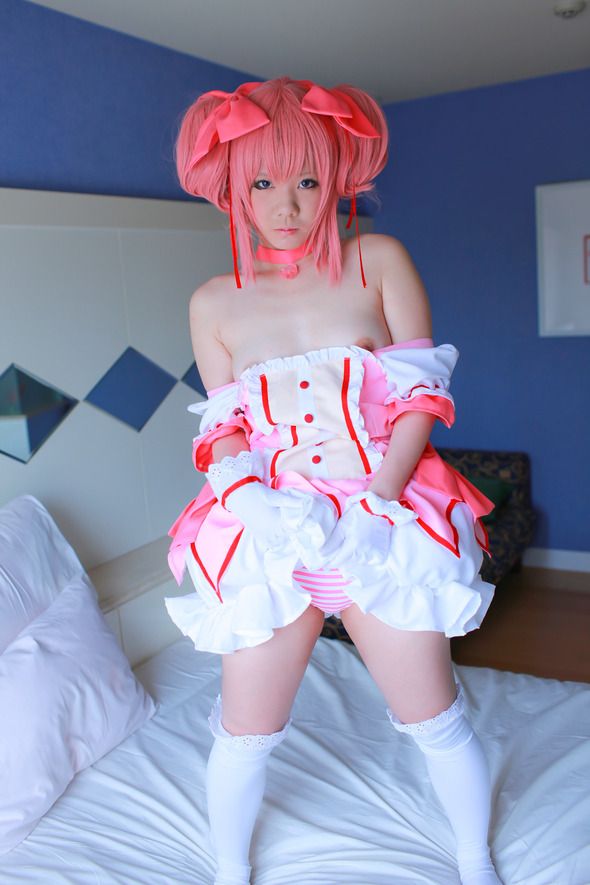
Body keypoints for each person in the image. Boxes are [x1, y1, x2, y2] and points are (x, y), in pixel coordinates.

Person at [165, 77, 502, 885]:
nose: (287, 205)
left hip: (384, 516)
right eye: (263, 182)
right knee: (245, 730)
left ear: (339, 178)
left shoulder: (378, 261)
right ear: (233, 187)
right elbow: (223, 428)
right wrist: (252, 502)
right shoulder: (212, 302)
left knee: (433, 716)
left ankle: (474, 860)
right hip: (271, 527)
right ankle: (229, 870)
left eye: (308, 180)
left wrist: (379, 502)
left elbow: (421, 398)